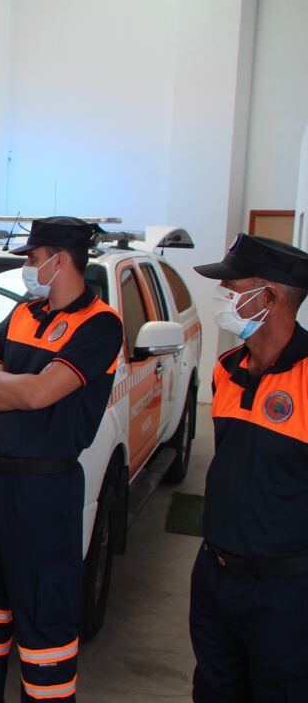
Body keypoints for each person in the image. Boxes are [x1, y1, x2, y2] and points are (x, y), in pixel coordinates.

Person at [0, 217, 123, 703]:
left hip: (44, 488)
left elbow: (41, 392)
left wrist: (15, 386)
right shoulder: (24, 312)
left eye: (31, 258)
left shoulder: (100, 324)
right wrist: (18, 388)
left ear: (58, 260)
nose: (26, 266)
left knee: (44, 608)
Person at [190, 234, 308, 701]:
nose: (225, 299)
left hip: (286, 589)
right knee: (215, 689)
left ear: (271, 296)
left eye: (233, 288)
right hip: (215, 576)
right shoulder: (226, 368)